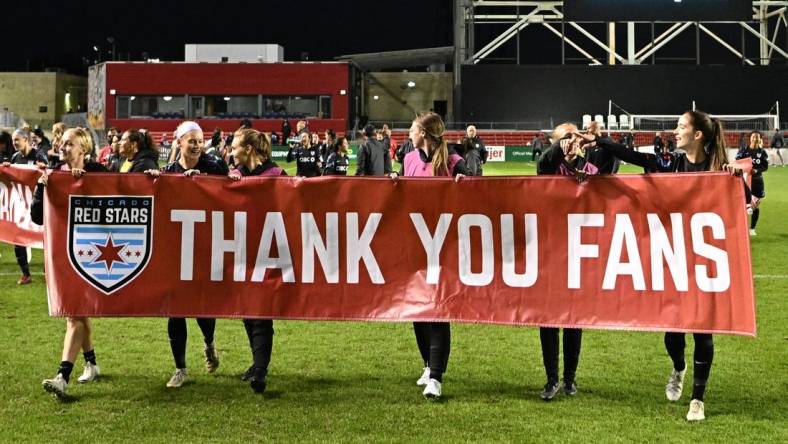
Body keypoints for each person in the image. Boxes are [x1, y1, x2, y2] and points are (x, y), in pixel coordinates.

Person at [586, 110, 739, 422]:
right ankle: (679, 367)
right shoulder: (672, 163)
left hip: (705, 261)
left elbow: (745, 200)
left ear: (698, 134)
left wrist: (736, 177)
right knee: (673, 332)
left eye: (682, 126)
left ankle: (698, 399)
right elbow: (632, 157)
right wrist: (600, 139)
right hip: (673, 257)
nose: (675, 130)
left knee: (703, 332)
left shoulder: (719, 169)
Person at [391, 112, 469, 399]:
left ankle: (436, 377)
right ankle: (427, 365)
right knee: (418, 309)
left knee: (437, 310)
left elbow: (476, 191)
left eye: (412, 129)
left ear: (423, 133)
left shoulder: (453, 162)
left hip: (444, 246)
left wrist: (465, 181)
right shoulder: (408, 160)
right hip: (415, 244)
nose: (409, 133)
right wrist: (394, 181)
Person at [145, 121, 223, 388]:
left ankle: (209, 343)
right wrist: (154, 183)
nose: (197, 145)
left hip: (204, 246)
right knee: (175, 310)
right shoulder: (167, 172)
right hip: (177, 250)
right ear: (178, 142)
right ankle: (180, 368)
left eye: (200, 140)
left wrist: (208, 182)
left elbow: (230, 196)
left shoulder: (214, 166)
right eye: (191, 140)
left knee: (202, 306)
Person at [36, 128, 108, 398]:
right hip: (66, 253)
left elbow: (122, 196)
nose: (63, 147)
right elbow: (37, 217)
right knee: (78, 312)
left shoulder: (99, 171)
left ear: (84, 149)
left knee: (74, 314)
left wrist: (87, 183)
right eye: (62, 143)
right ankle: (91, 363)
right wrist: (40, 188)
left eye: (70, 144)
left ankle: (62, 376)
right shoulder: (54, 174)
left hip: (98, 252)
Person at [227, 128, 285, 393]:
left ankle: (260, 369)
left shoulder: (278, 176)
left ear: (248, 149)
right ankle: (256, 363)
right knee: (248, 310)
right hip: (240, 250)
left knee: (261, 312)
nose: (231, 150)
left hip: (270, 251)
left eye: (235, 146)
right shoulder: (232, 176)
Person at [534, 123, 589, 401]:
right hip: (548, 250)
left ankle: (570, 379)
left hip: (578, 252)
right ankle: (552, 378)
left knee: (573, 318)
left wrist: (592, 141)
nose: (572, 141)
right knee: (548, 318)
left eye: (574, 135)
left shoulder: (588, 166)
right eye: (566, 137)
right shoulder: (549, 166)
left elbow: (611, 164)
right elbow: (543, 163)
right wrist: (562, 145)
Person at [2, 128, 48, 285]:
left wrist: (44, 167)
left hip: (39, 204)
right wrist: (7, 168)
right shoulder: (15, 157)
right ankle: (26, 274)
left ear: (26, 140)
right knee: (18, 238)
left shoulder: (39, 155)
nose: (14, 143)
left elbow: (50, 174)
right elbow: (12, 178)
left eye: (17, 140)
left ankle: (49, 271)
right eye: (13, 141)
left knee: (46, 239)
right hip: (22, 205)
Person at [736, 131, 769, 236]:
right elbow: (737, 162)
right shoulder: (743, 150)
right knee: (741, 204)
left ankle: (752, 228)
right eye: (754, 136)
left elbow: (765, 167)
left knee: (758, 202)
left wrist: (757, 170)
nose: (755, 138)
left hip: (757, 180)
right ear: (750, 138)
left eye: (757, 137)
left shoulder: (762, 152)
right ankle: (739, 227)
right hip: (745, 180)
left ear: (760, 139)